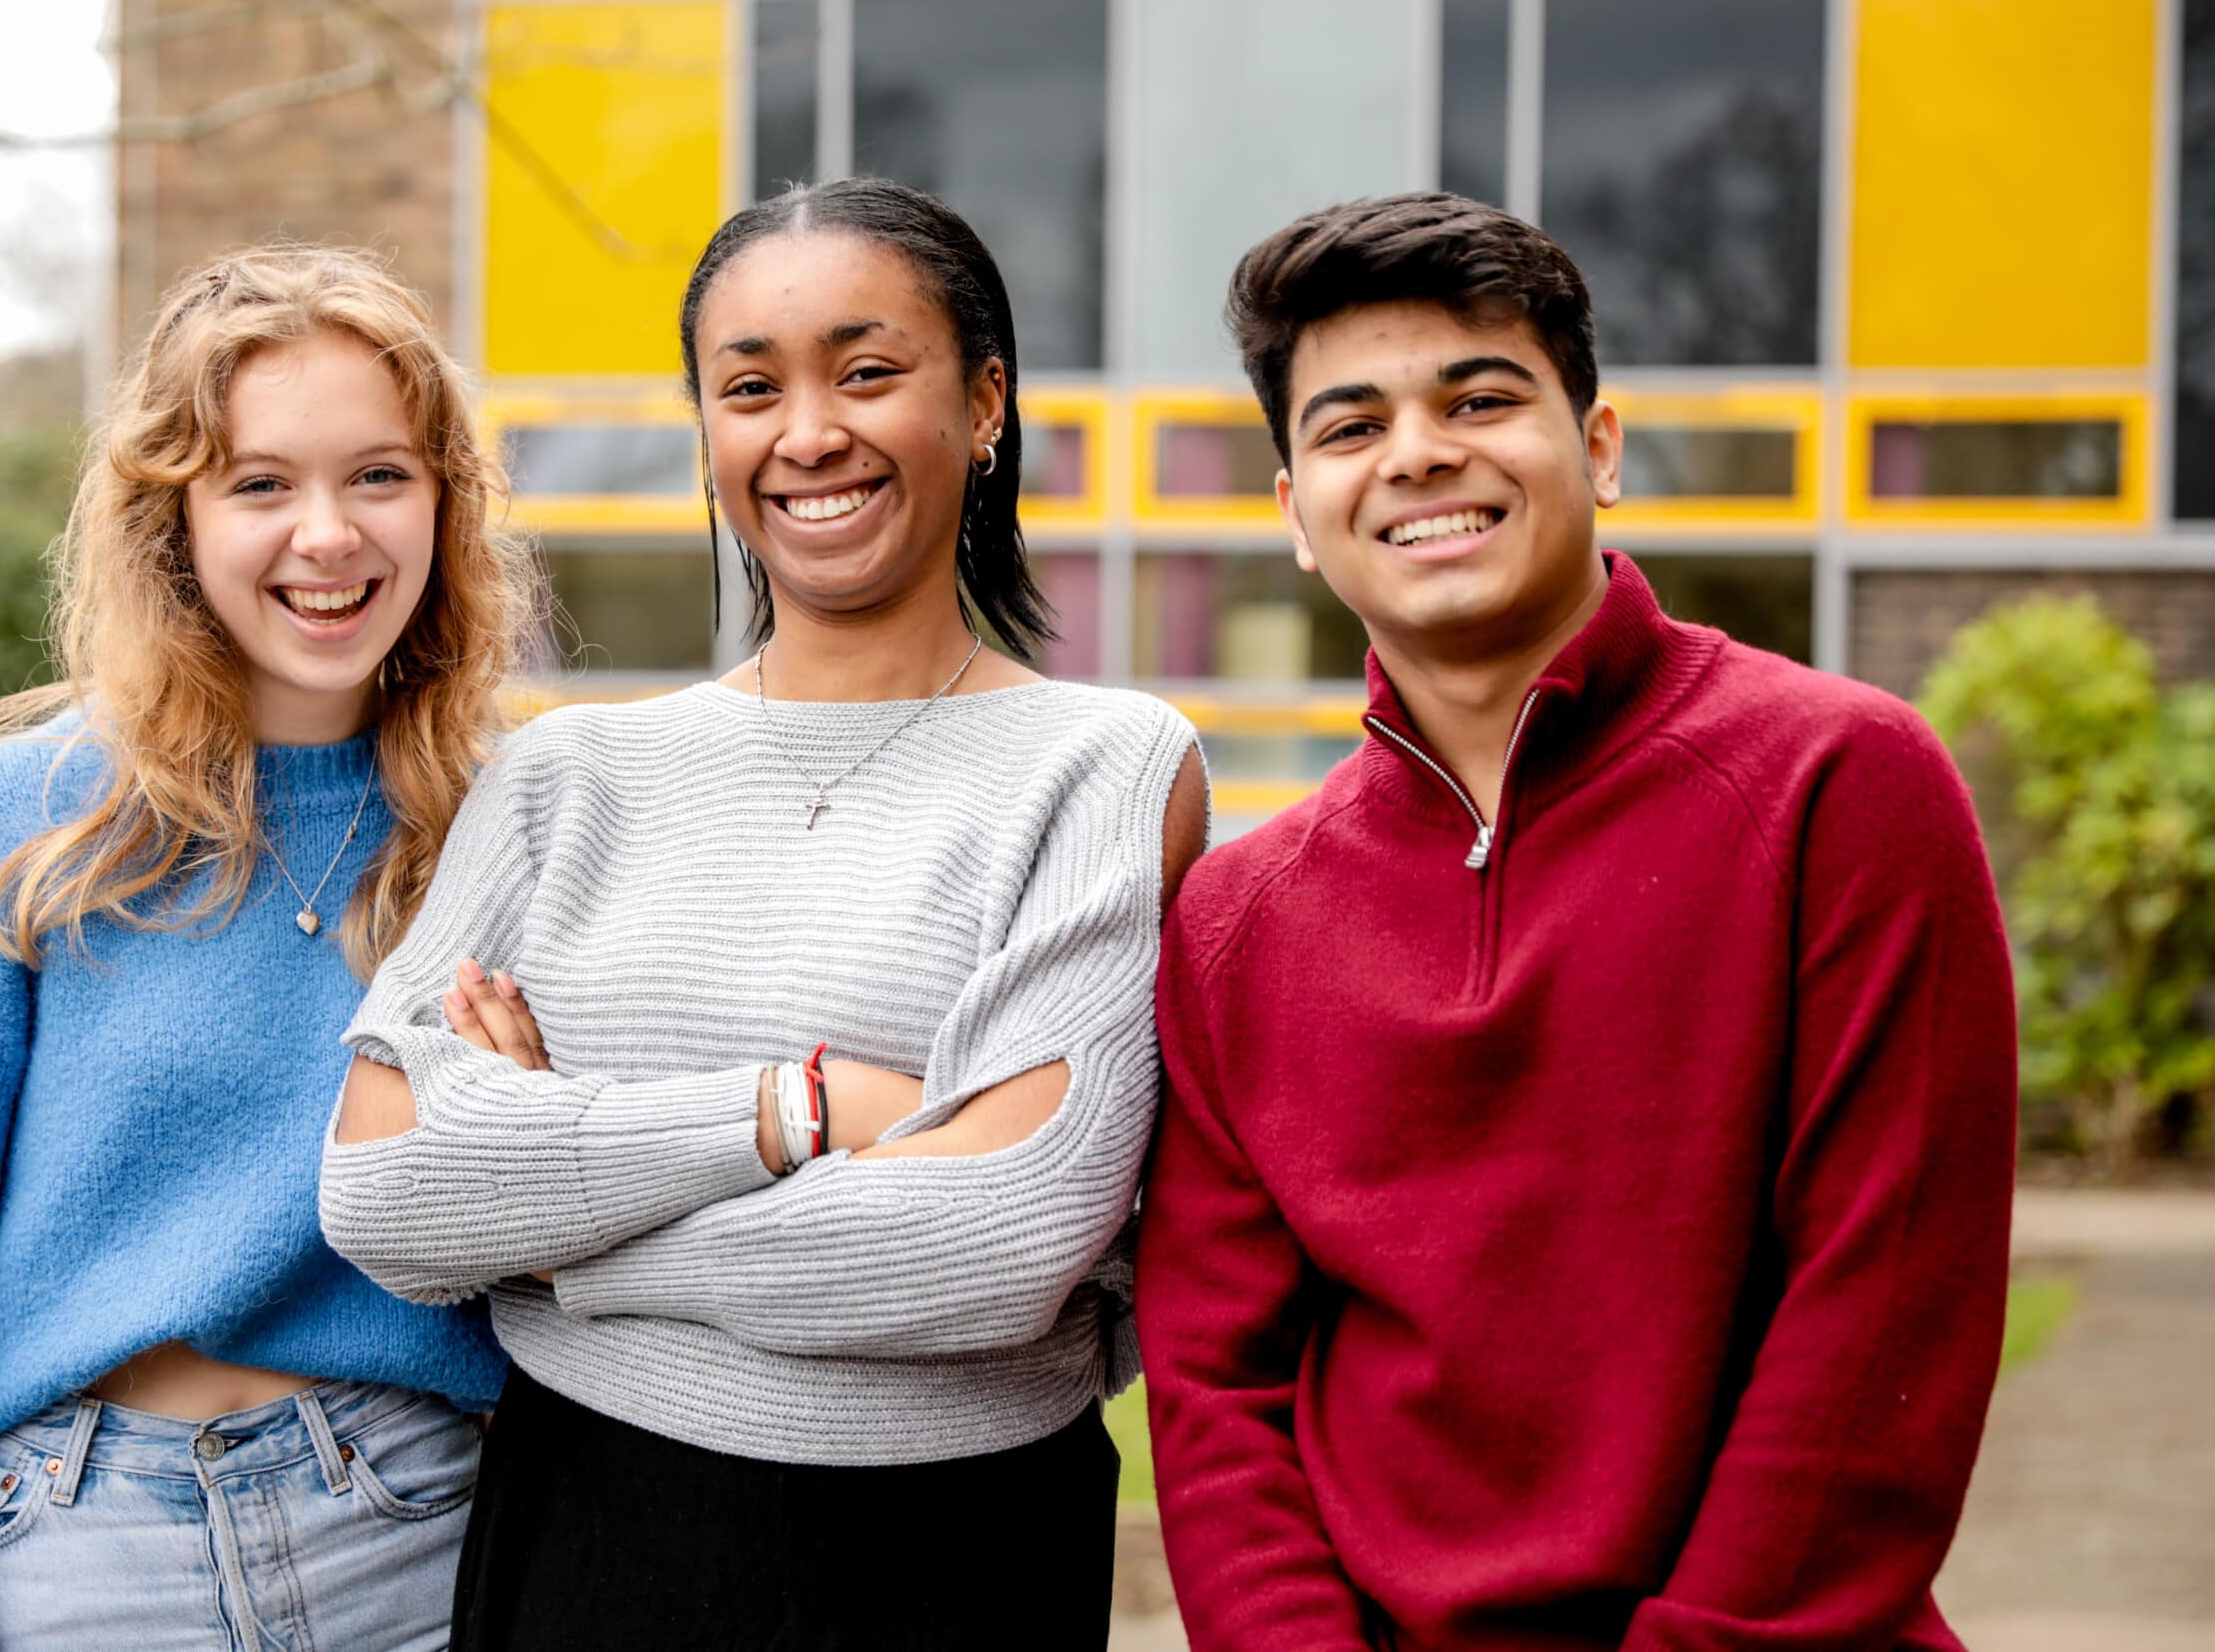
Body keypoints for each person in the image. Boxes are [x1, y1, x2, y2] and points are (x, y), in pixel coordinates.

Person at [321, 176, 1206, 1651]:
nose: (808, 434)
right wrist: (794, 1111)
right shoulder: (565, 777)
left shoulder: (1104, 767)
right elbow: (383, 1189)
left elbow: (1001, 1238)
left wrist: (559, 1225)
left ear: (985, 405)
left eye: (868, 372)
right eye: (750, 388)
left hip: (952, 1560)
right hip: (591, 1534)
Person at [1134, 192, 2018, 1652]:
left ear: (1598, 450)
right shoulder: (1238, 918)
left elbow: (1881, 1330)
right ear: (1294, 514)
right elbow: (1219, 1394)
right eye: (1350, 427)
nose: (1418, 451)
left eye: (1480, 398)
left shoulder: (1839, 786)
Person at [0, 244, 532, 1652]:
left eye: (380, 475)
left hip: (423, 1535)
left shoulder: (509, 829)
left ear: (443, 505)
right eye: (261, 484)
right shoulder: (17, 828)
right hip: (75, 1554)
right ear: (172, 516)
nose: (330, 535)